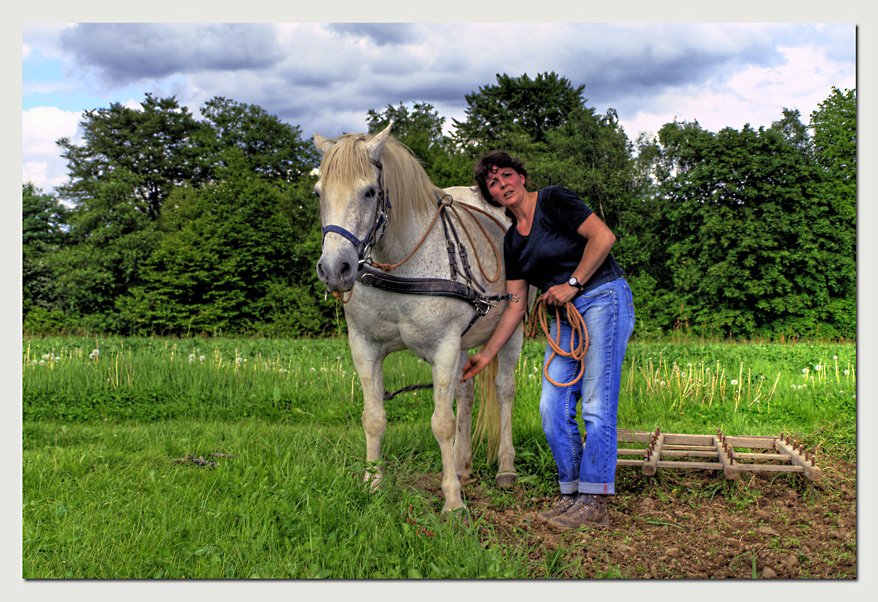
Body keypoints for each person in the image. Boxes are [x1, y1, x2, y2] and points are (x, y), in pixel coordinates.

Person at [461, 151, 635, 530]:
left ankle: (595, 499)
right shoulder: (512, 242)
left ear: (522, 177)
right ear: (489, 194)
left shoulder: (553, 200)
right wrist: (485, 355)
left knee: (596, 403)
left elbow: (603, 237)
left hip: (603, 298)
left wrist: (573, 284)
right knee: (551, 406)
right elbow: (515, 305)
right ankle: (572, 493)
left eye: (507, 175)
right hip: (562, 318)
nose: (502, 184)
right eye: (492, 182)